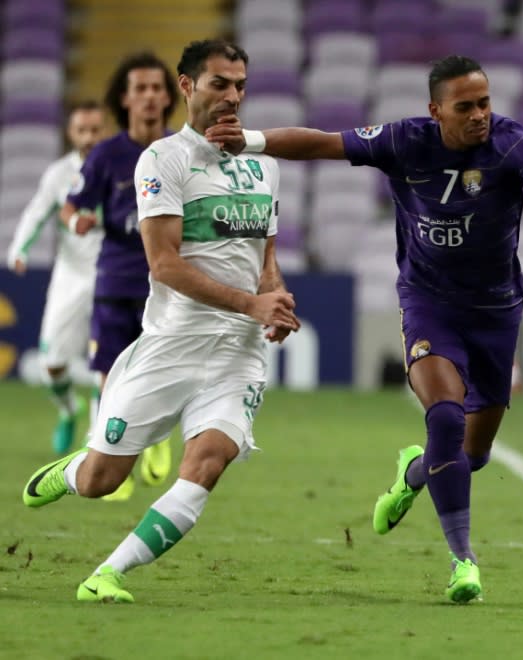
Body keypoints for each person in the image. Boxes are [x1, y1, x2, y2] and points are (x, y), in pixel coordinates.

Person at [205, 55, 523, 603]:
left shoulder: (511, 144)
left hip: (496, 312)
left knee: (472, 455)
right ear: (435, 110)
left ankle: (413, 473)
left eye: (485, 103)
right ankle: (462, 561)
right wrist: (249, 141)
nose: (479, 116)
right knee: (444, 415)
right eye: (465, 107)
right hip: (428, 303)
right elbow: (322, 143)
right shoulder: (404, 141)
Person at [21, 38, 300, 603]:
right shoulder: (163, 160)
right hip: (173, 343)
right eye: (220, 83)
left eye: (241, 85)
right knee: (103, 481)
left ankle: (108, 574)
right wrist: (250, 302)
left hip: (237, 351)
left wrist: (275, 297)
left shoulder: (263, 165)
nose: (232, 96)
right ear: (188, 86)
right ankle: (74, 470)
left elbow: (265, 258)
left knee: (208, 461)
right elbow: (165, 264)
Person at [61, 52, 178, 500]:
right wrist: (76, 223)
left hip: (166, 286)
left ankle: (159, 436)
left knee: (163, 372)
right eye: (140, 89)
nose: (149, 97)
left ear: (168, 96)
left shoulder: (179, 151)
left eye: (156, 88)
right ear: (124, 99)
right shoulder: (107, 155)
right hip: (114, 281)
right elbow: (73, 204)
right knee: (109, 377)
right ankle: (111, 468)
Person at [6, 101, 105, 454]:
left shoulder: (117, 167)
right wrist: (19, 249)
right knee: (51, 364)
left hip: (111, 274)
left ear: (103, 128)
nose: (90, 137)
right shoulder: (59, 174)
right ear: (71, 132)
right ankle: (67, 411)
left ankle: (98, 440)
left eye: (96, 129)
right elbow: (36, 212)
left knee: (105, 363)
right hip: (71, 275)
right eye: (83, 130)